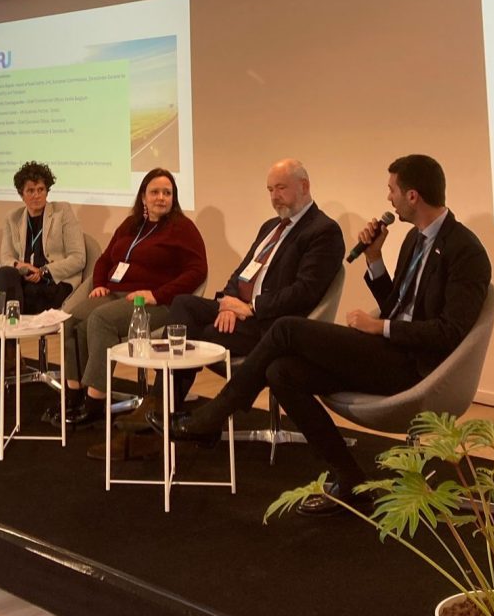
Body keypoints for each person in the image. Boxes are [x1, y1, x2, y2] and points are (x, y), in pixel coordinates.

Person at [176, 155, 491, 516]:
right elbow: (398, 305)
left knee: (285, 328)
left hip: (417, 367)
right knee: (281, 372)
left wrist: (382, 327)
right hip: (388, 350)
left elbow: (450, 332)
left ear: (413, 196)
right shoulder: (412, 241)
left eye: (392, 190)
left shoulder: (464, 249)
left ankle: (214, 417)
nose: (388, 199)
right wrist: (374, 259)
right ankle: (349, 479)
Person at [106, 159, 345, 459]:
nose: (274, 197)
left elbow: (305, 292)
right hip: (241, 310)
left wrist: (251, 307)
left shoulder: (323, 231)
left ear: (304, 186)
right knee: (184, 304)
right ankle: (162, 405)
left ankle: (162, 411)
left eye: (281, 188)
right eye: (270, 190)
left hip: (274, 325)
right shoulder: (271, 227)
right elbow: (242, 273)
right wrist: (227, 303)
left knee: (198, 335)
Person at [48, 167, 207, 428]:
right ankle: (73, 395)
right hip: (115, 293)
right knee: (71, 320)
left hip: (155, 303)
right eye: (155, 192)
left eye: (167, 193)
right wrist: (99, 284)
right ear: (143, 197)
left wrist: (156, 294)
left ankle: (95, 402)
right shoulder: (131, 224)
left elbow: (198, 270)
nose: (161, 198)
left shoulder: (182, 228)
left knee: (100, 320)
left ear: (174, 197)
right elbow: (104, 260)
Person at [0, 161, 86, 402]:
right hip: (23, 286)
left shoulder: (62, 212)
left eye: (41, 189)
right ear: (21, 194)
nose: (36, 196)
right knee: (3, 281)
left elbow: (78, 258)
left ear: (47, 190)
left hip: (55, 285)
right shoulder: (13, 218)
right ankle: (4, 361)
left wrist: (44, 270)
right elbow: (6, 258)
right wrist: (22, 267)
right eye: (30, 191)